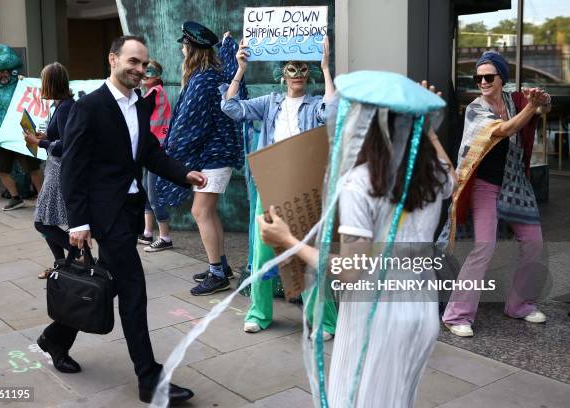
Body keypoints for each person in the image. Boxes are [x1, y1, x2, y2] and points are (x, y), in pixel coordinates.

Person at [257, 72, 454, 407]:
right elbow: (452, 173)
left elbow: (350, 271)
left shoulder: (360, 184)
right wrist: (427, 130)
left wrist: (288, 239)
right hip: (421, 307)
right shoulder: (433, 172)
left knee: (358, 398)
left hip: (376, 313)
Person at [37, 35, 206, 404]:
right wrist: (79, 222)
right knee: (133, 291)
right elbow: (73, 170)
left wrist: (183, 173)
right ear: (113, 59)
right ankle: (149, 379)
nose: (139, 70)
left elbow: (146, 152)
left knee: (108, 284)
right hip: (104, 214)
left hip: (129, 210)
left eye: (144, 64)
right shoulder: (90, 107)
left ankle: (56, 337)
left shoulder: (140, 105)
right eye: (132, 61)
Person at [220, 37, 338, 336]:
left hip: (305, 187)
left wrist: (325, 69)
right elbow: (230, 107)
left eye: (302, 68)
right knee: (262, 253)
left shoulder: (315, 105)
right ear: (282, 73)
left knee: (308, 253)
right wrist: (240, 68)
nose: (297, 73)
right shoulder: (270, 102)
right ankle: (259, 313)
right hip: (270, 185)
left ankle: (324, 320)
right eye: (291, 68)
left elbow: (333, 112)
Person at [440, 51, 551, 337]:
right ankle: (457, 315)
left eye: (489, 76)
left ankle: (519, 304)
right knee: (485, 246)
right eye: (479, 77)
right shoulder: (475, 109)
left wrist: (543, 103)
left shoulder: (515, 101)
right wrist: (532, 108)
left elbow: (541, 110)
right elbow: (505, 129)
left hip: (515, 183)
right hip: (483, 186)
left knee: (535, 244)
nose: (483, 81)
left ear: (502, 78)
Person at [156, 22, 244, 296]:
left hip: (214, 155)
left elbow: (187, 124)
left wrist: (169, 148)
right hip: (218, 153)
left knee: (200, 211)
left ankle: (217, 273)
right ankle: (222, 266)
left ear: (191, 49)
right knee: (208, 211)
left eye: (184, 45)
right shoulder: (212, 73)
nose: (182, 49)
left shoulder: (203, 78)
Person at [23, 62, 74, 279]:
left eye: (44, 81)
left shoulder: (65, 108)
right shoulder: (63, 105)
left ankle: (77, 252)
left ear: (51, 83)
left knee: (42, 222)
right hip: (54, 169)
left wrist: (38, 142)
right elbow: (61, 138)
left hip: (59, 170)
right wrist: (46, 138)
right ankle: (62, 264)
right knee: (47, 220)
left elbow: (67, 145)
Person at [0, 44, 43, 210]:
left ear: (10, 71)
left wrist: (26, 83)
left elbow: (36, 100)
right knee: (1, 168)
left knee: (33, 168)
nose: (3, 75)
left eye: (5, 71)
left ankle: (44, 198)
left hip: (24, 134)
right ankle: (15, 197)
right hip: (3, 138)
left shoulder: (22, 87)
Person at [136, 59, 174, 252]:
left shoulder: (154, 92)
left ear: (157, 76)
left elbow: (139, 110)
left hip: (156, 149)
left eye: (147, 72)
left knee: (153, 193)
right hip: (151, 148)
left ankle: (165, 236)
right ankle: (148, 232)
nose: (143, 75)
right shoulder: (153, 92)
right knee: (146, 190)